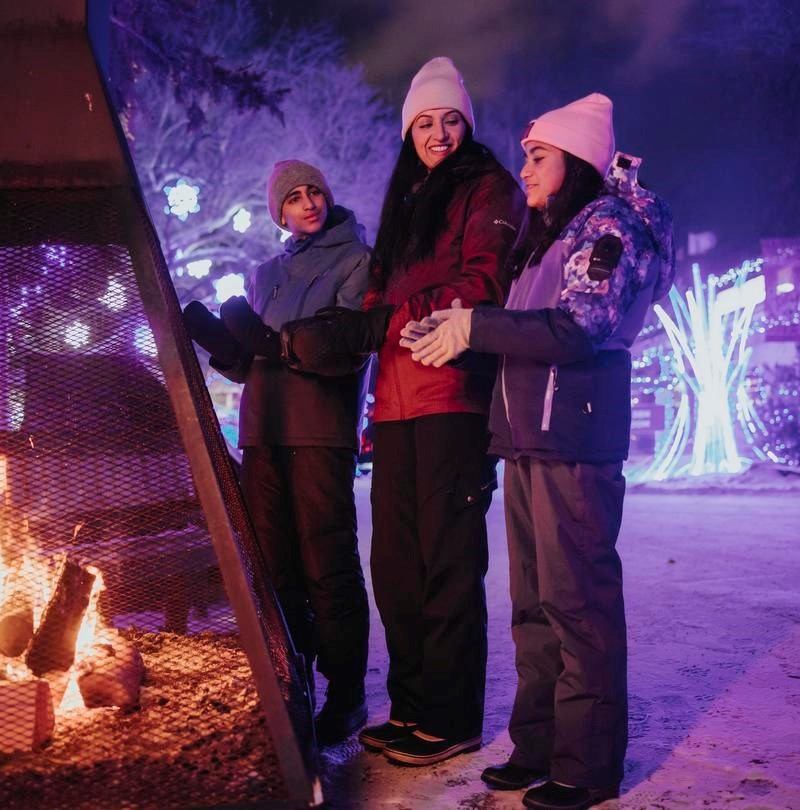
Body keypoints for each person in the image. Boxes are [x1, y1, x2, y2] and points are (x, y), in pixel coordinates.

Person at [402, 94, 674, 809]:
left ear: (576, 160)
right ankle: (539, 746)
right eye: (525, 156)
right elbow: (522, 333)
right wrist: (459, 330)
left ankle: (586, 765)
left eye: (538, 156)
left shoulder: (607, 226)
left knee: (577, 603)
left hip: (573, 442)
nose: (523, 168)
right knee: (532, 605)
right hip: (527, 442)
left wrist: (477, 325)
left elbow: (579, 327)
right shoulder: (548, 239)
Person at [270, 56, 525, 766]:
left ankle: (451, 717)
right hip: (396, 406)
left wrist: (387, 320)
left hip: (453, 398)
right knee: (395, 566)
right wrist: (356, 330)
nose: (438, 133)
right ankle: (412, 707)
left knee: (447, 562)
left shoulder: (490, 188)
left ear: (466, 125)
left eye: (451, 120)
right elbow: (379, 297)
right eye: (424, 122)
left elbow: (484, 280)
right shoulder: (406, 202)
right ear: (409, 132)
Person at [183, 160, 372, 746]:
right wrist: (217, 339)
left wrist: (268, 340)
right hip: (263, 430)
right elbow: (252, 366)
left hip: (319, 430)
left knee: (327, 564)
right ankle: (294, 684)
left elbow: (343, 348)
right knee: (274, 566)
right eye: (293, 197)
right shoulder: (264, 274)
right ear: (279, 212)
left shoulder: (357, 260)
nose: (308, 202)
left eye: (314, 191)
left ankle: (346, 694)